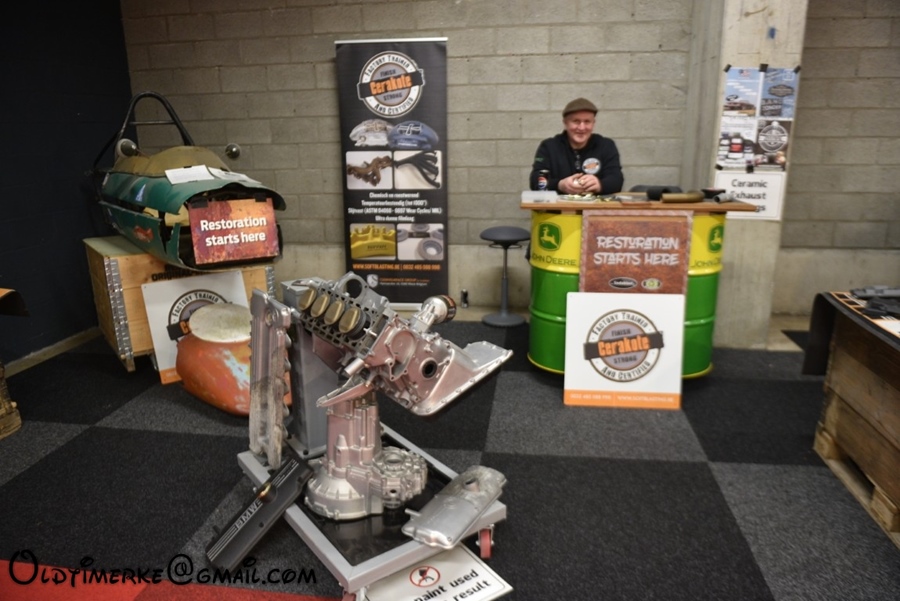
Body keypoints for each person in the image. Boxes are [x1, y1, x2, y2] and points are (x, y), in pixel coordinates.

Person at [529, 98, 624, 195]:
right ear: (565, 123)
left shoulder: (606, 146)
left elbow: (616, 179)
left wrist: (600, 185)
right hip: (559, 204)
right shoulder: (548, 147)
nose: (582, 128)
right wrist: (560, 185)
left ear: (593, 123)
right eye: (576, 121)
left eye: (587, 121)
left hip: (595, 204)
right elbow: (535, 181)